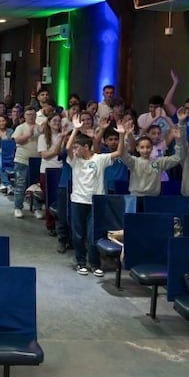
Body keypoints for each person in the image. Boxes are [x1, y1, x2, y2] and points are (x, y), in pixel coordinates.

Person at [66, 117, 129, 277]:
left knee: (93, 233)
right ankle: (81, 262)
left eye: (77, 147)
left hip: (96, 202)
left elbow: (119, 152)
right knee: (78, 234)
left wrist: (122, 135)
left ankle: (95, 263)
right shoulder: (75, 161)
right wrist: (75, 129)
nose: (74, 150)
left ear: (86, 147)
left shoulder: (100, 159)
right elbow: (67, 147)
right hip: (78, 201)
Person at [12, 107, 42, 219]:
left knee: (37, 187)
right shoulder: (20, 127)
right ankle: (18, 207)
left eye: (33, 114)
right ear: (24, 116)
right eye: (28, 114)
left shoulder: (40, 128)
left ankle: (37, 208)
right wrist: (28, 135)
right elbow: (17, 140)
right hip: (22, 160)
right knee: (20, 185)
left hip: (37, 161)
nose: (31, 116)